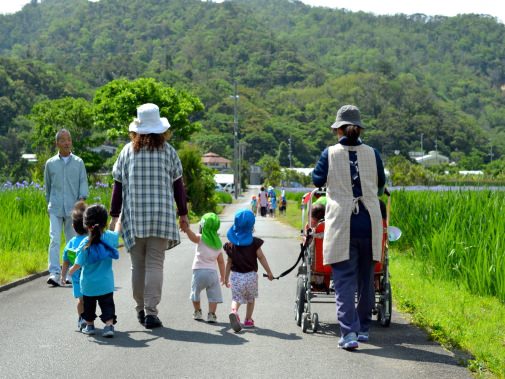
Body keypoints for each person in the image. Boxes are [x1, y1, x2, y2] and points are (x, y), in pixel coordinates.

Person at [110, 103, 189, 329]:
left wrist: (115, 216)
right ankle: (152, 313)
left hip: (134, 217)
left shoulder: (127, 151)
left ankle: (140, 309)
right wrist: (183, 215)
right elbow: (178, 187)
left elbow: (118, 186)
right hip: (162, 216)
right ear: (160, 129)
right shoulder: (169, 151)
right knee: (155, 265)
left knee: (137, 266)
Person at [312, 104, 385, 350]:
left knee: (343, 280)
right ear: (358, 128)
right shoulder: (373, 153)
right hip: (370, 223)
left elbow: (317, 180)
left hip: (343, 223)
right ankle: (363, 328)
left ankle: (348, 333)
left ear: (339, 130)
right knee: (366, 278)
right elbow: (381, 182)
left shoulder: (330, 153)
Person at [44, 129, 89, 286]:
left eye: (69, 139)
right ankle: (54, 273)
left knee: (72, 241)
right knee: (54, 239)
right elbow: (47, 187)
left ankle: (70, 273)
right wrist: (47, 204)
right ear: (57, 143)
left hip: (73, 208)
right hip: (55, 207)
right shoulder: (50, 164)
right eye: (63, 140)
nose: (66, 142)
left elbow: (83, 183)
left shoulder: (78, 162)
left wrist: (81, 203)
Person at [68, 204, 120, 338]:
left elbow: (78, 262)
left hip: (88, 285)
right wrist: (118, 219)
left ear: (86, 225)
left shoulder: (86, 242)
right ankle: (108, 325)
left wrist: (71, 271)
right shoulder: (110, 238)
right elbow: (117, 230)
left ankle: (89, 325)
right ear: (104, 222)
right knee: (107, 305)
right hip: (106, 283)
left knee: (89, 307)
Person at [224, 209, 274, 332]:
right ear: (252, 227)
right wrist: (269, 272)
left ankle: (234, 311)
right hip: (251, 276)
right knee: (250, 299)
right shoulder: (254, 242)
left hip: (236, 276)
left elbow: (229, 263)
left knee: (236, 298)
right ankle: (248, 319)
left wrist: (225, 278)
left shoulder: (231, 244)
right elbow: (261, 257)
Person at [181, 213, 225, 323]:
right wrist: (223, 276)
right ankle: (211, 314)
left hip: (199, 272)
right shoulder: (218, 244)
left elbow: (192, 237)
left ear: (202, 226)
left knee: (195, 292)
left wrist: (186, 229)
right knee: (213, 295)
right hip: (212, 274)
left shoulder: (200, 238)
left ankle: (197, 312)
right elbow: (221, 262)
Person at [60, 201, 88, 331]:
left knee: (80, 301)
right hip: (89, 276)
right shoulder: (90, 241)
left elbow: (65, 261)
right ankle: (89, 320)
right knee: (90, 300)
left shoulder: (70, 243)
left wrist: (63, 276)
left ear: (73, 226)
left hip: (76, 279)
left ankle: (81, 318)